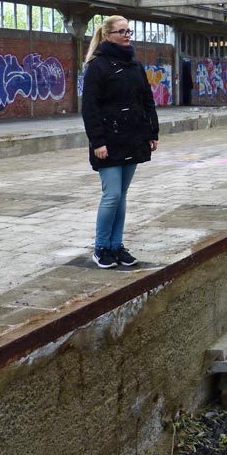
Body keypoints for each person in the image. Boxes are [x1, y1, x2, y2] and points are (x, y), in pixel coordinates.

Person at [81, 15, 159, 268]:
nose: (127, 35)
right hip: (108, 141)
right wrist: (98, 142)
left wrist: (152, 132)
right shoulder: (98, 66)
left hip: (133, 137)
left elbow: (146, 100)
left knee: (122, 195)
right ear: (107, 36)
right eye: (122, 31)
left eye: (129, 31)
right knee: (112, 195)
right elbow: (90, 108)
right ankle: (101, 247)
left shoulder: (134, 65)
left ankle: (116, 246)